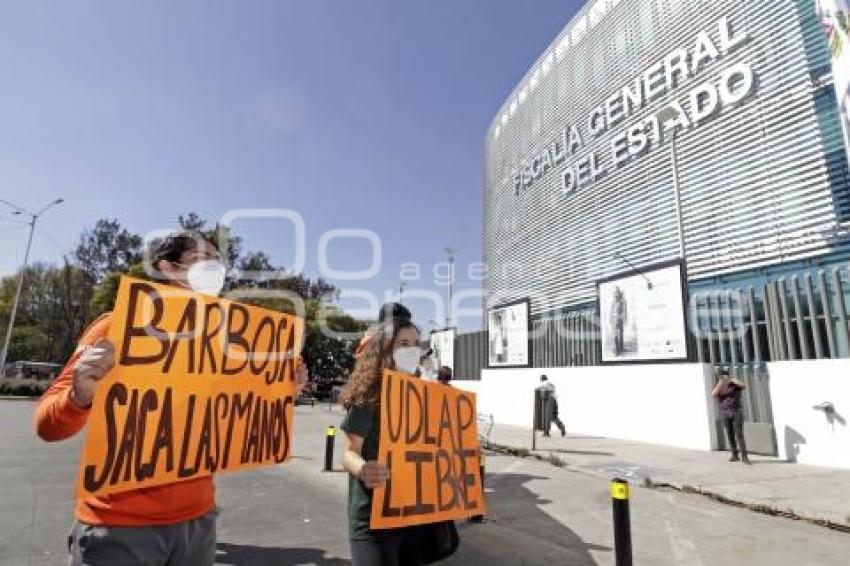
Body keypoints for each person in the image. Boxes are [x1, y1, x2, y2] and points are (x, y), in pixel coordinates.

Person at [34, 230, 309, 565]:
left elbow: (232, 417)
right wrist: (79, 396)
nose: (214, 267)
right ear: (167, 267)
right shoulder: (117, 326)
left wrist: (282, 394)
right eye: (201, 259)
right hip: (120, 527)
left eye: (218, 260)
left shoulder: (227, 343)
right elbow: (48, 426)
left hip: (199, 524)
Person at [340, 316, 430, 565]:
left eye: (415, 343)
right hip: (372, 520)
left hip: (412, 516)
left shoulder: (422, 396)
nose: (411, 349)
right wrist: (363, 468)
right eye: (403, 343)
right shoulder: (370, 396)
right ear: (385, 349)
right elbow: (349, 452)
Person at [711, 367, 750, 464]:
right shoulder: (719, 386)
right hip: (725, 412)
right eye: (721, 376)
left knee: (739, 434)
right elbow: (713, 394)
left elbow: (743, 385)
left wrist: (731, 379)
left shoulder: (734, 385)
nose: (724, 378)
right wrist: (721, 382)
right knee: (730, 434)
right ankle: (735, 455)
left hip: (736, 411)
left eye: (725, 375)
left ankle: (744, 456)